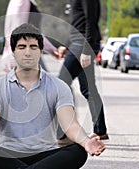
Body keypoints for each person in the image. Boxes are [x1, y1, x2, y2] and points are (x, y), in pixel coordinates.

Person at [0, 23, 105, 169]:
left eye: (33, 47)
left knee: (78, 151)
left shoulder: (59, 87)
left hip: (46, 154)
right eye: (22, 47)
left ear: (40, 50)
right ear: (13, 51)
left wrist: (86, 142)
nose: (28, 52)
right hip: (9, 155)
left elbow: (70, 125)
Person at [57, 0, 108, 145]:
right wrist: (67, 44)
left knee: (60, 85)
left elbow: (91, 20)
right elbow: (77, 22)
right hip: (77, 43)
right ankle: (100, 130)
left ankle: (63, 133)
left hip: (82, 44)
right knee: (89, 89)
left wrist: (86, 50)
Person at [2, 0, 64, 72]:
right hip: (26, 54)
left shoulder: (17, 2)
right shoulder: (22, 2)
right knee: (46, 81)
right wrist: (51, 49)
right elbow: (23, 30)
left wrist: (51, 50)